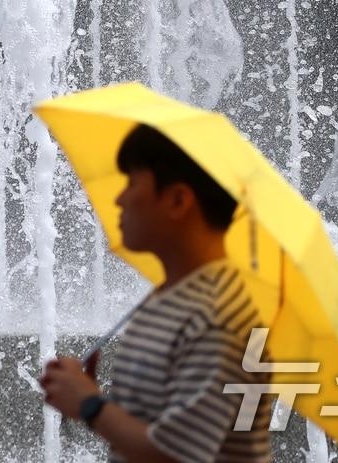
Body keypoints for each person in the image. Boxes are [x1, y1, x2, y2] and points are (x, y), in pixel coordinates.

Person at [39, 124, 273, 462]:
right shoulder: (171, 297)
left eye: (132, 183)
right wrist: (90, 396)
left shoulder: (218, 314)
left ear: (178, 200)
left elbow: (176, 455)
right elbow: (162, 427)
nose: (119, 198)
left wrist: (91, 405)